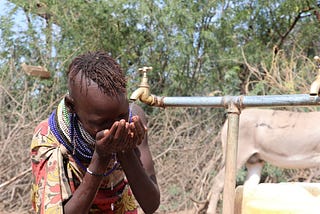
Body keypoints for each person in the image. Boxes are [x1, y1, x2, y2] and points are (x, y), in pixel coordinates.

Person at [30, 51, 160, 214]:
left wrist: (125, 150)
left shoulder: (134, 121)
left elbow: (151, 204)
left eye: (121, 115)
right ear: (72, 107)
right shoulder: (49, 137)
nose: (116, 126)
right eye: (101, 123)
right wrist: (101, 157)